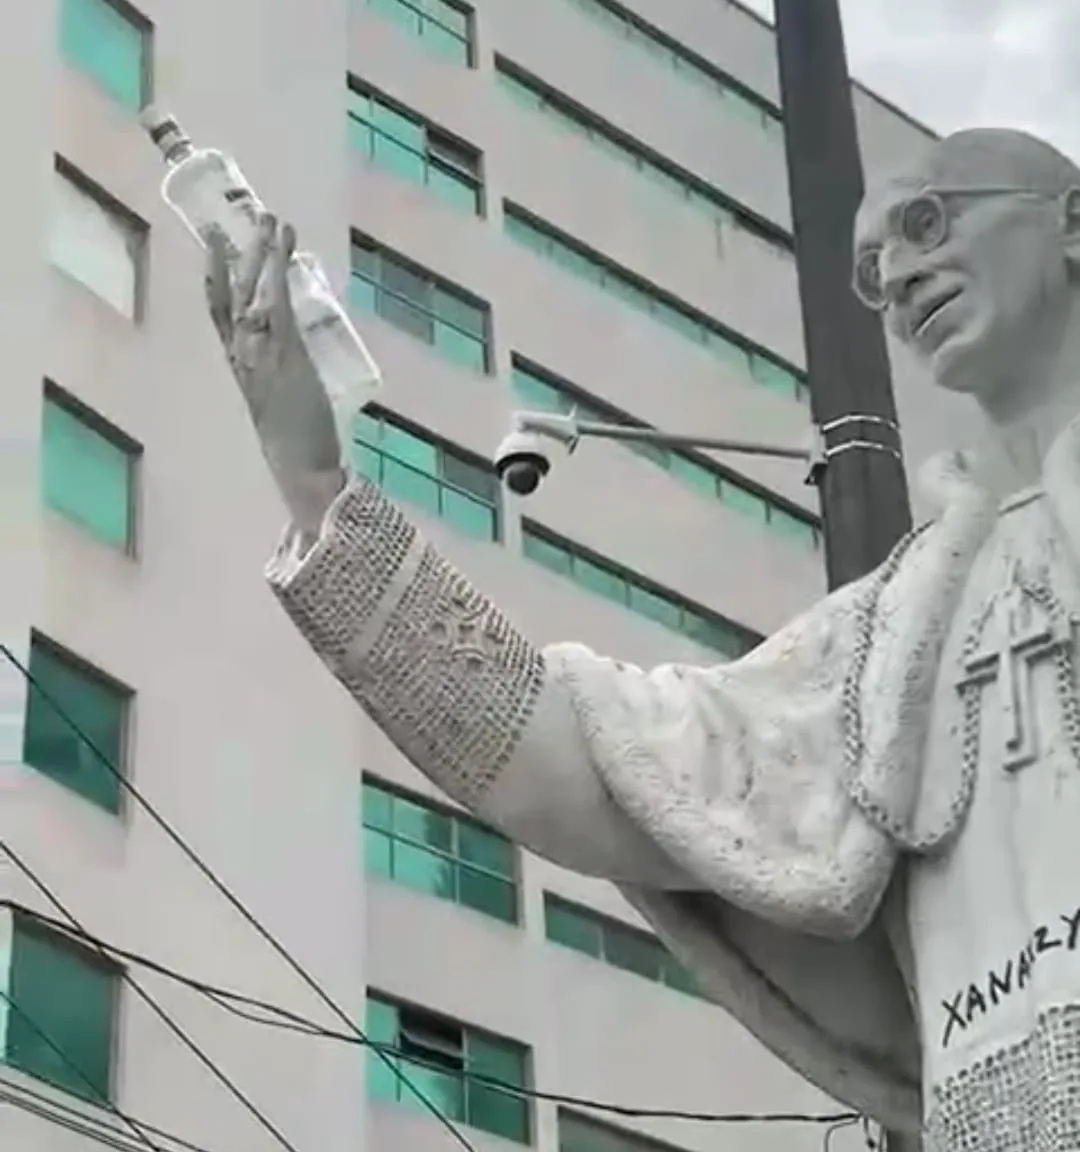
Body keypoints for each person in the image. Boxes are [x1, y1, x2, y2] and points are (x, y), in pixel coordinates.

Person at [204, 127, 1080, 1150]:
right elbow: (597, 761)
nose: (902, 269)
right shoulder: (900, 633)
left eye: (929, 220)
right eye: (875, 268)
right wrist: (318, 489)